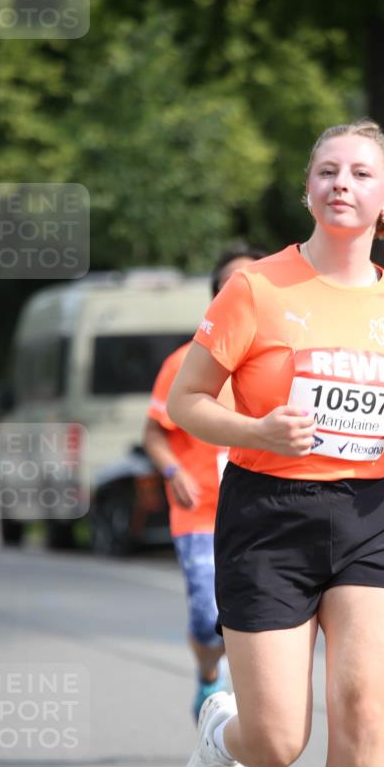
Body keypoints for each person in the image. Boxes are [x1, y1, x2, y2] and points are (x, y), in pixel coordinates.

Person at [167, 120, 384, 767]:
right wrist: (257, 432)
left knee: (363, 711)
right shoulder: (256, 288)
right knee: (277, 742)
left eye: (360, 173)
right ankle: (223, 730)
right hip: (268, 517)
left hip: (372, 514)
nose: (341, 184)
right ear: (307, 188)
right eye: (326, 171)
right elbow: (189, 402)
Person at [143, 244, 267, 723]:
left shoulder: (283, 361)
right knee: (204, 614)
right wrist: (171, 470)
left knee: (257, 609)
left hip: (260, 510)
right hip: (199, 512)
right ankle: (208, 676)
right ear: (218, 299)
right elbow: (153, 431)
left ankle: (248, 706)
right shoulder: (185, 363)